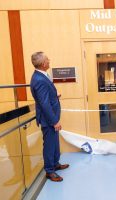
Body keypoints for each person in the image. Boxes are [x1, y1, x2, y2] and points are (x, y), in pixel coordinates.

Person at [30, 51, 69, 182]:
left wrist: (55, 95)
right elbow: (44, 104)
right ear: (42, 64)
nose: (49, 60)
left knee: (54, 144)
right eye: (47, 59)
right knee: (49, 145)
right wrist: (54, 121)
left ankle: (55, 164)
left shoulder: (41, 76)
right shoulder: (39, 79)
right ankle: (49, 171)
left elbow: (45, 97)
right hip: (48, 120)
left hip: (51, 118)